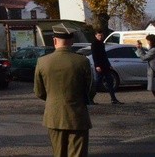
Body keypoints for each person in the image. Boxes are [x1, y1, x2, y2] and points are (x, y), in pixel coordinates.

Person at [34, 23, 93, 157]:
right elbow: (90, 89)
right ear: (71, 41)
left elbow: (38, 91)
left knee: (58, 153)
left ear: (54, 40)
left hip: (54, 116)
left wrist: (53, 100)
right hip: (77, 115)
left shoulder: (42, 61)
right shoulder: (82, 61)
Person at [89, 29, 122, 104]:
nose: (100, 37)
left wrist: (109, 65)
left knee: (110, 82)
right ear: (96, 36)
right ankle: (90, 98)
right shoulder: (94, 44)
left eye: (101, 35)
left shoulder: (102, 44)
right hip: (99, 66)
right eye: (99, 35)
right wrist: (97, 65)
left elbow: (104, 55)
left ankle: (113, 99)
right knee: (98, 83)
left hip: (106, 66)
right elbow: (95, 56)